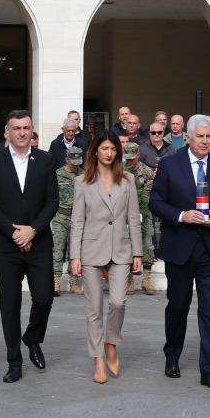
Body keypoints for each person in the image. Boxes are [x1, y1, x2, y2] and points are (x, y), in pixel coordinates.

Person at [151, 114, 210, 388]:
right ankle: (172, 355)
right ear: (188, 137)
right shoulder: (170, 165)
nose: (204, 141)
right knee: (178, 305)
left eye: (208, 136)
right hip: (180, 246)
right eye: (199, 136)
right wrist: (180, 215)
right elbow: (155, 201)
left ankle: (209, 369)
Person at [0, 109, 58, 383]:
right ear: (7, 132)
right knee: (10, 305)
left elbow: (52, 201)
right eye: (17, 128)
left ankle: (33, 337)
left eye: (26, 128)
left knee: (44, 297)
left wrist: (33, 230)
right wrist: (14, 232)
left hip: (39, 241)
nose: (22, 133)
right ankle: (14, 361)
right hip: (7, 244)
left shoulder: (45, 160)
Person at [70, 132, 142, 384]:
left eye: (112, 149)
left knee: (119, 301)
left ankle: (111, 342)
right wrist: (74, 255)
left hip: (121, 249)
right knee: (94, 308)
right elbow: (77, 221)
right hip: (90, 250)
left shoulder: (128, 180)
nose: (109, 153)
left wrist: (138, 252)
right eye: (104, 148)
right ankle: (98, 359)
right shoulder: (82, 182)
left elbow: (134, 218)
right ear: (95, 151)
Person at [120, 139, 159, 296]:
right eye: (127, 158)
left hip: (144, 212)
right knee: (127, 245)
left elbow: (147, 194)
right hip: (123, 214)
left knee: (147, 245)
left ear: (138, 155)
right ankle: (129, 279)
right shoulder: (120, 171)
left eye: (132, 157)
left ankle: (146, 279)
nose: (130, 161)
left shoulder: (147, 171)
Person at [52, 146, 84, 295]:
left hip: (77, 218)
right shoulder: (58, 174)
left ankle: (74, 282)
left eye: (78, 162)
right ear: (67, 159)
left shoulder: (84, 175)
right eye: (73, 162)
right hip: (60, 217)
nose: (75, 165)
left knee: (75, 250)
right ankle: (56, 281)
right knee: (57, 249)